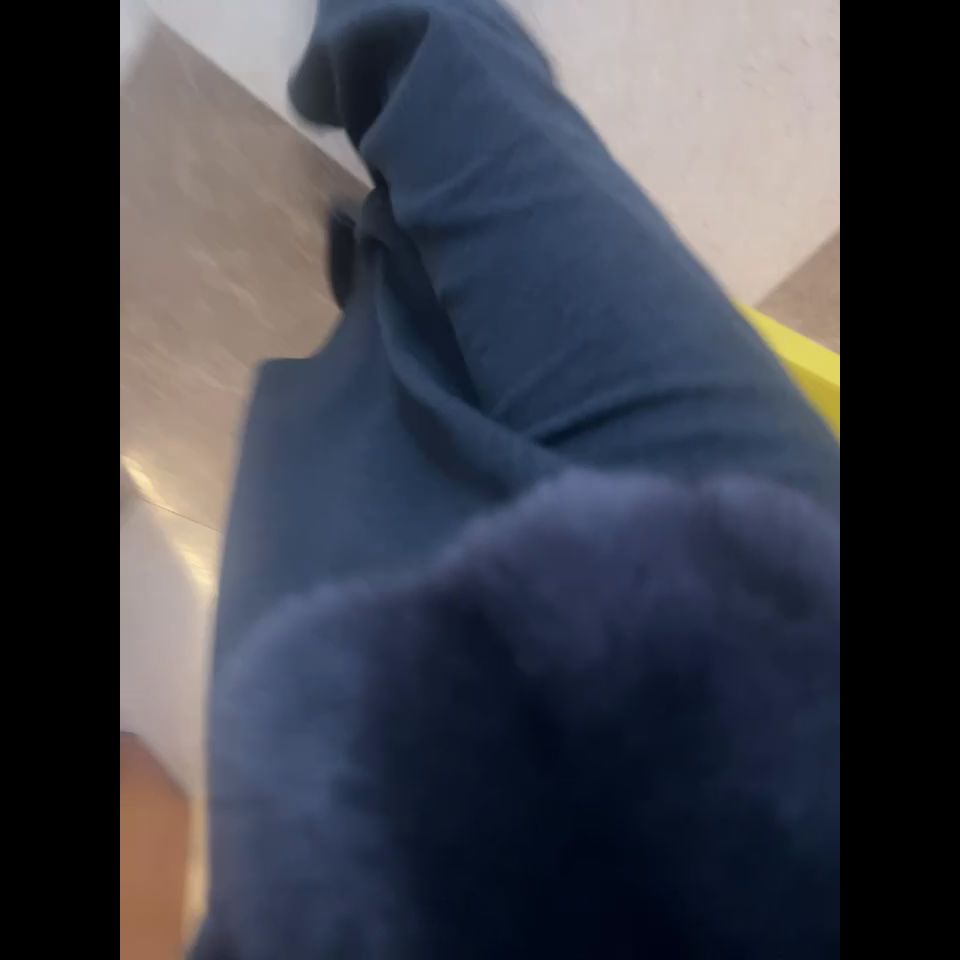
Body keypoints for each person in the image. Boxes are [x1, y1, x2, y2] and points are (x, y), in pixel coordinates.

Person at [191, 1, 840, 957]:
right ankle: (383, 265)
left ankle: (385, 226)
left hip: (741, 734)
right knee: (401, 384)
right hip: (368, 854)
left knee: (464, 100)